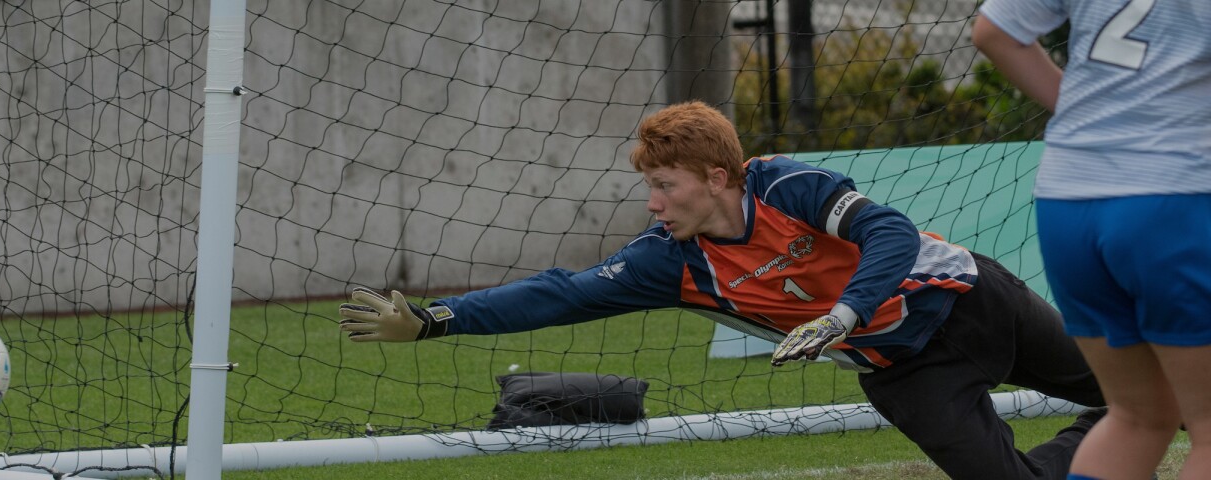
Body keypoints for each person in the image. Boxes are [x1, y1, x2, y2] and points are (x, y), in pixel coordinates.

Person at [339, 101, 1104, 479]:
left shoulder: (789, 185)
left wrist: (841, 314)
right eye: (650, 187)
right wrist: (434, 319)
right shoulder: (664, 261)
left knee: (1133, 399)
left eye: (664, 185)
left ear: (717, 177)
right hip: (904, 371)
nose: (652, 203)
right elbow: (559, 294)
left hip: (975, 304)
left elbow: (891, 235)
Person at [973, 1, 1211, 478]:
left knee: (1138, 418)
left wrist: (1093, 116)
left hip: (1068, 199)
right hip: (1174, 196)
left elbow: (992, 32)